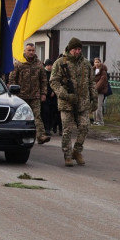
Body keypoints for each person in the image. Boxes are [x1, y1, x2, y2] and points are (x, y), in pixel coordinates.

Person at [50, 37, 98, 167]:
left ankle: (77, 151)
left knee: (84, 127)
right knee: (67, 130)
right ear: (70, 49)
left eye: (79, 49)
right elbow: (54, 82)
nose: (78, 51)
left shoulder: (86, 64)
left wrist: (94, 99)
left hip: (83, 102)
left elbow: (92, 82)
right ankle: (67, 155)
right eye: (75, 49)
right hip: (66, 103)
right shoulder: (60, 63)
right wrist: (65, 95)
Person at [8, 42, 51, 145]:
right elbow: (12, 78)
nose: (31, 52)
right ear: (25, 51)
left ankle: (41, 136)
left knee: (37, 116)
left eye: (33, 50)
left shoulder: (39, 64)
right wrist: (13, 92)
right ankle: (18, 135)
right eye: (29, 50)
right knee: (21, 116)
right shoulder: (19, 63)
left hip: (35, 95)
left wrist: (43, 93)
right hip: (21, 96)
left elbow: (44, 80)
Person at [93, 57, 110, 126]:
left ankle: (100, 121)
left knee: (99, 107)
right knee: (94, 107)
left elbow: (102, 81)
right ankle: (95, 121)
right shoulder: (93, 70)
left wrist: (95, 88)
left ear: (100, 63)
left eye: (98, 62)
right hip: (94, 91)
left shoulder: (103, 71)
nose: (96, 64)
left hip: (100, 91)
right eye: (95, 62)